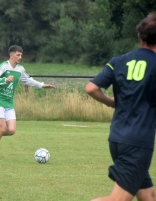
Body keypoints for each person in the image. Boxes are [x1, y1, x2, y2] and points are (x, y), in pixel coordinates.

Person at [85, 12, 156, 201]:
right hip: (138, 142)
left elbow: (91, 88)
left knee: (149, 197)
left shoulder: (119, 61)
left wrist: (110, 102)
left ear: (140, 36)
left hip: (117, 138)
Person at [0, 45, 55, 161]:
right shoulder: (3, 66)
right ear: (11, 55)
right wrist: (5, 80)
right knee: (2, 129)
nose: (20, 57)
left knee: (11, 130)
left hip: (8, 102)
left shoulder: (20, 69)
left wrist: (42, 85)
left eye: (21, 55)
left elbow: (28, 80)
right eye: (18, 55)